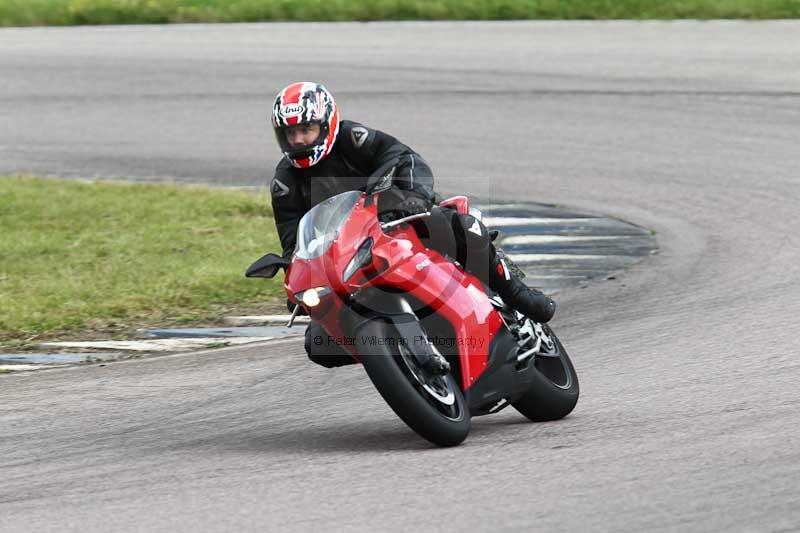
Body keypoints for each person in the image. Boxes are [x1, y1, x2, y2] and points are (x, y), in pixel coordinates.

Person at [269, 82, 556, 370]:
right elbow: (293, 242)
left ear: (326, 123)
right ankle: (392, 355)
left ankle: (515, 293)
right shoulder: (285, 182)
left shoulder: (352, 139)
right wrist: (299, 279)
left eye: (306, 130)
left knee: (460, 226)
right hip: (350, 254)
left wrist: (410, 195)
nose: (298, 140)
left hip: (398, 217)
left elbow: (402, 156)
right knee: (318, 343)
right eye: (290, 134)